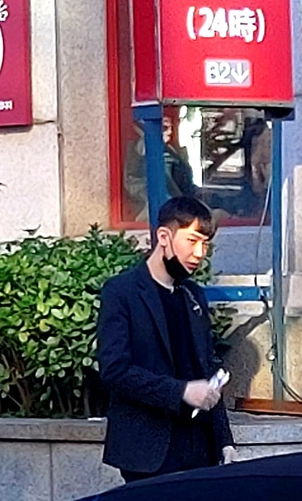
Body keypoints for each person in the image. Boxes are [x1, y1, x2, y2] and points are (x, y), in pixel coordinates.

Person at [100, 195, 233, 481]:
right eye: (192, 241)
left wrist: (225, 441)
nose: (199, 253)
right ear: (164, 236)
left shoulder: (193, 295)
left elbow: (207, 367)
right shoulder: (121, 292)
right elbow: (115, 371)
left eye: (205, 244)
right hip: (148, 453)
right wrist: (181, 391)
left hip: (201, 450)